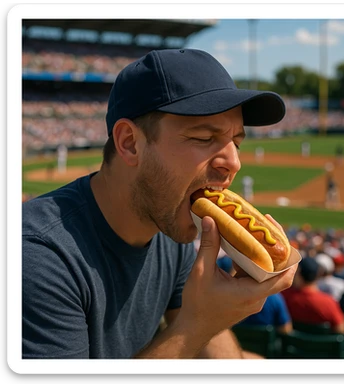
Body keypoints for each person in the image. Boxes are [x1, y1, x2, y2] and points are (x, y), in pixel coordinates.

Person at [22, 48, 297, 359]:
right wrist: (201, 323)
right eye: (204, 138)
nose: (233, 163)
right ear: (130, 143)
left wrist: (213, 320)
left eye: (235, 142)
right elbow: (194, 332)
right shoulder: (36, 259)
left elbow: (217, 356)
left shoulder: (169, 227)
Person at [281, 256, 344, 334]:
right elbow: (342, 329)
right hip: (323, 345)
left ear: (298, 274)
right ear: (318, 274)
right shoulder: (328, 302)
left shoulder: (284, 297)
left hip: (292, 345)